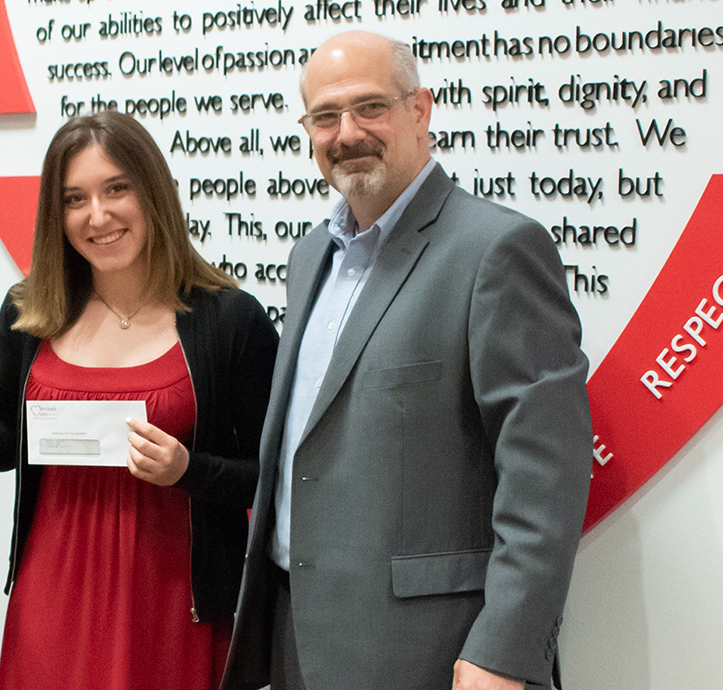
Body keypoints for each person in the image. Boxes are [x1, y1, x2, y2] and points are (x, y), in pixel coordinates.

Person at [221, 31, 592, 690]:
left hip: (432, 652)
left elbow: (547, 480)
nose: (347, 132)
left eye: (370, 107)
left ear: (420, 110)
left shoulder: (498, 250)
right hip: (296, 638)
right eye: (325, 116)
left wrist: (505, 650)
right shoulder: (310, 256)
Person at [0, 111, 278, 689]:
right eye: (74, 198)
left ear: (152, 192)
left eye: (116, 189)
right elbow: (8, 438)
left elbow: (278, 479)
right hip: (50, 592)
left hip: (172, 606)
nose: (97, 216)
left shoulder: (230, 319)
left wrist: (189, 469)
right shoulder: (26, 314)